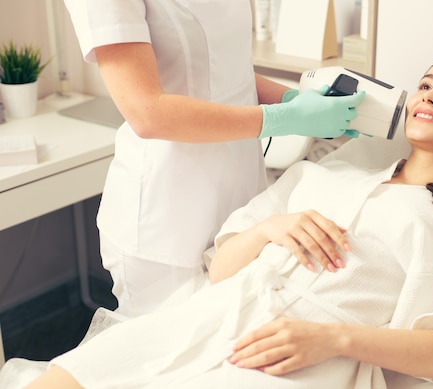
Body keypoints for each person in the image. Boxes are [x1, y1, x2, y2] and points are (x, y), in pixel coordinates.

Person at [0, 55, 433, 389]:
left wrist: (335, 339)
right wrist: (272, 228)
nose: (430, 96)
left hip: (294, 361)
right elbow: (221, 268)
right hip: (204, 320)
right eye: (427, 85)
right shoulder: (324, 177)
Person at [63, 0, 366, 317]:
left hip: (241, 200)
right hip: (167, 219)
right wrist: (285, 118)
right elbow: (148, 113)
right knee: (173, 353)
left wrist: (293, 100)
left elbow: (219, 67)